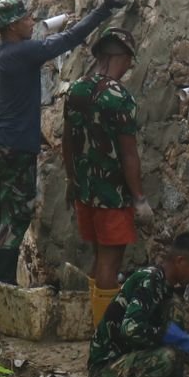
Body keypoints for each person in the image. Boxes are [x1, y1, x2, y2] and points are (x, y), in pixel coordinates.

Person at [0, 0, 127, 308]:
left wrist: (24, 132)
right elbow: (67, 40)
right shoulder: (22, 53)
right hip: (15, 150)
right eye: (26, 19)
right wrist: (102, 10)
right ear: (12, 26)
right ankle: (3, 291)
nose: (31, 23)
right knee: (15, 217)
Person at [62, 26, 151, 324]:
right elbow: (129, 153)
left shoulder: (76, 90)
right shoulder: (119, 97)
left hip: (85, 190)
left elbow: (68, 141)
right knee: (110, 264)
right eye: (129, 60)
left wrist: (71, 180)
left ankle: (92, 322)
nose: (128, 67)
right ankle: (105, 333)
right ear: (120, 56)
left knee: (98, 258)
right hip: (112, 195)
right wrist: (139, 198)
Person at [88, 231, 189, 377]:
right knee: (166, 358)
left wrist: (179, 339)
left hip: (127, 360)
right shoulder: (150, 280)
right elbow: (130, 330)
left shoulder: (164, 288)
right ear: (180, 261)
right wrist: (168, 336)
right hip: (105, 372)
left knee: (174, 309)